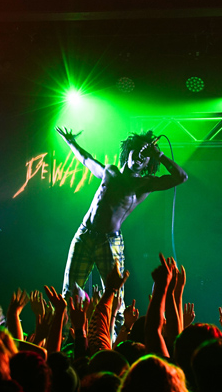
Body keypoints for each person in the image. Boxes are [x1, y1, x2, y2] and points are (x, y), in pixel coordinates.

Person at [55, 128, 188, 321]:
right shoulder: (110, 171)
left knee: (115, 298)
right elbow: (86, 159)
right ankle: (68, 336)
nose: (141, 157)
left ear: (149, 163)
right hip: (84, 234)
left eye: (146, 156)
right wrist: (71, 142)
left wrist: (158, 155)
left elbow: (181, 177)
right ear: (128, 151)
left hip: (109, 242)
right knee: (70, 292)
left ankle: (115, 336)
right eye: (139, 151)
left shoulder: (144, 184)